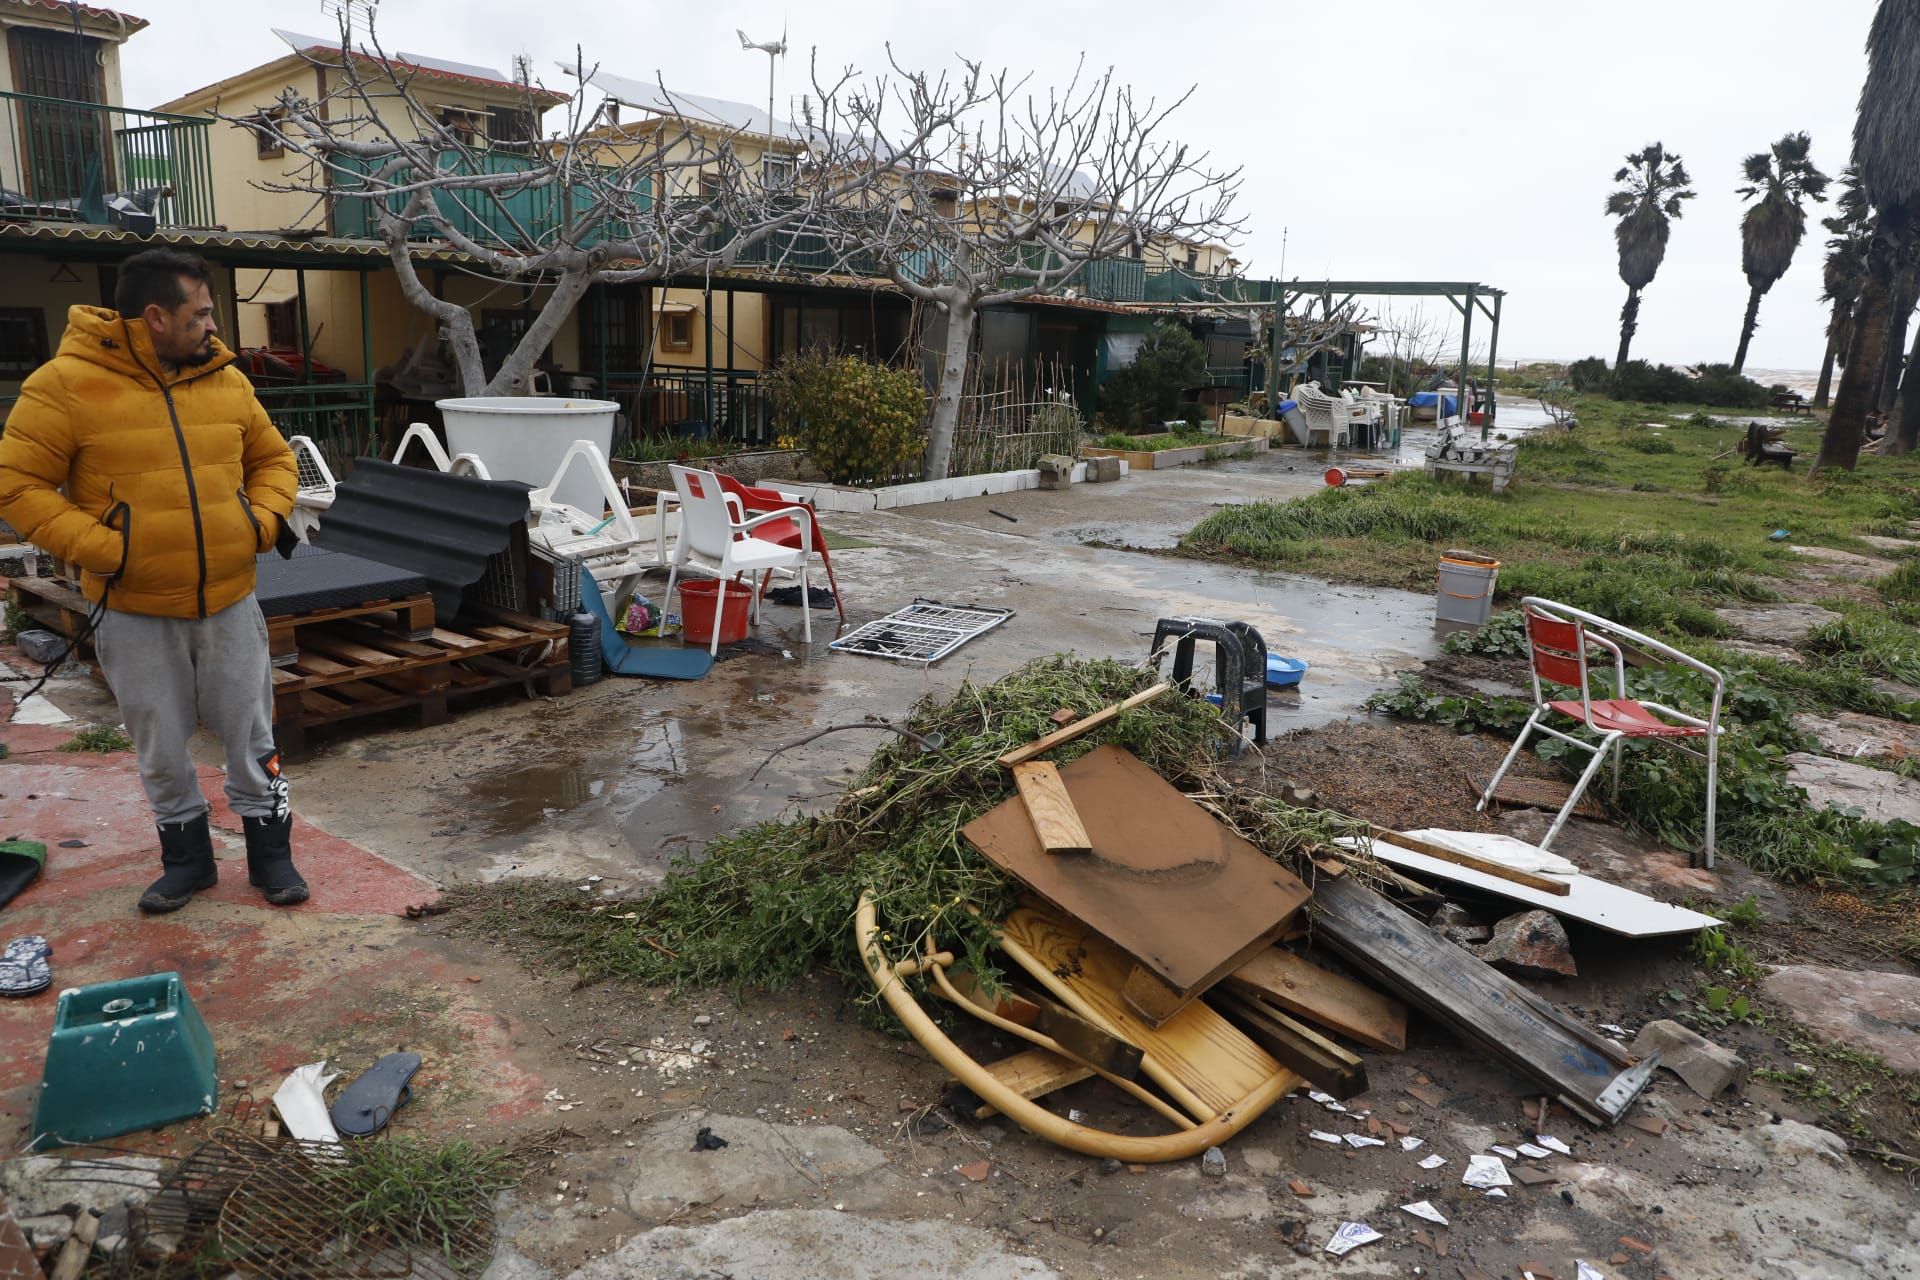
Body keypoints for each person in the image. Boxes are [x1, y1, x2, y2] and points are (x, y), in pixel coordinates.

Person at [0, 248, 306, 913]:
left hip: (229, 599)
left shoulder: (227, 381)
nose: (214, 325)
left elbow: (274, 460)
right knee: (160, 744)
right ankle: (187, 861)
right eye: (200, 313)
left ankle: (271, 854)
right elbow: (17, 484)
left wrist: (258, 524)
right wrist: (106, 550)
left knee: (253, 736)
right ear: (155, 317)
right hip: (133, 609)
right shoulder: (65, 385)